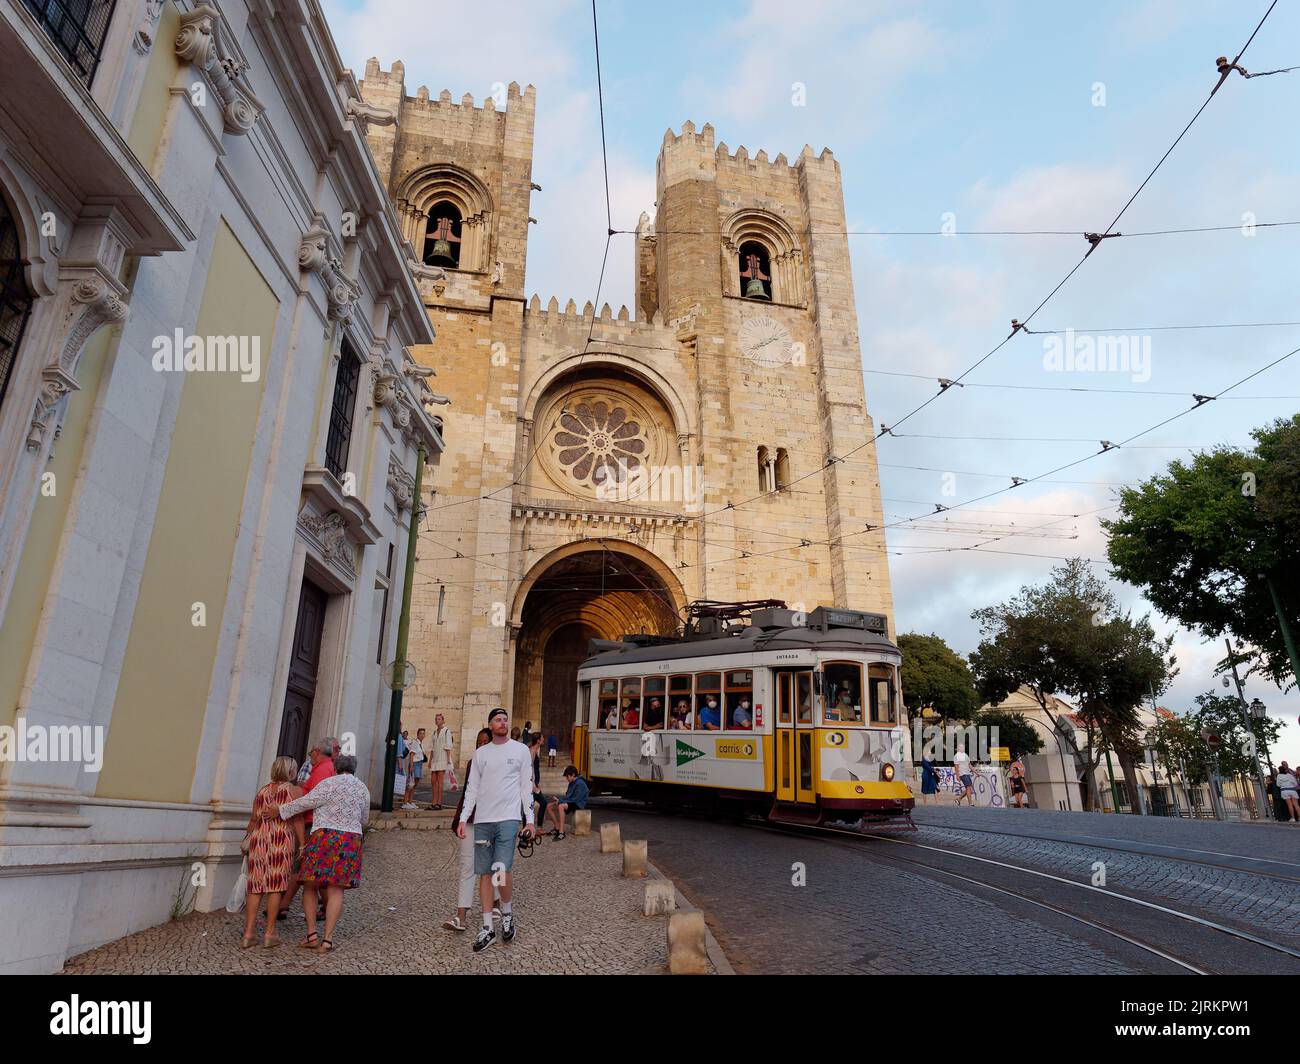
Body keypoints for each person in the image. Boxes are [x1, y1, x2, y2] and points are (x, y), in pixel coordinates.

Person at [270, 754, 371, 953]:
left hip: (324, 837)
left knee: (309, 884)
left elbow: (306, 802)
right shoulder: (362, 788)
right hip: (350, 840)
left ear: (336, 768)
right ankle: (328, 940)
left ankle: (311, 934)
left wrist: (280, 810)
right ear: (354, 769)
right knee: (336, 890)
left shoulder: (328, 783)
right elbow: (365, 819)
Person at [456, 708, 535, 952]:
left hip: (508, 819)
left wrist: (529, 820)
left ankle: (508, 912)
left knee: (501, 868)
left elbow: (525, 787)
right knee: (485, 873)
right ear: (490, 725)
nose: (503, 723)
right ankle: (488, 926)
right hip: (483, 821)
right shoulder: (481, 754)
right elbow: (472, 788)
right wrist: (463, 818)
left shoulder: (521, 750)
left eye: (505, 719)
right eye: (498, 720)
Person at [240, 756, 306, 948]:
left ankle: (249, 933)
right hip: (281, 840)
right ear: (290, 772)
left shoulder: (262, 792)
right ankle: (270, 933)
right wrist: (302, 844)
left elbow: (253, 820)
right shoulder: (294, 791)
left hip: (259, 840)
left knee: (256, 886)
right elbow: (298, 820)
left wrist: (246, 840)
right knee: (275, 886)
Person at [443, 728, 500, 932]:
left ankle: (496, 904)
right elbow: (469, 793)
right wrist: (462, 818)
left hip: (491, 820)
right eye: (479, 741)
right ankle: (461, 916)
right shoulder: (471, 764)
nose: (482, 745)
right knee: (467, 866)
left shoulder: (498, 765)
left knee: (491, 865)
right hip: (470, 819)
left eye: (486, 741)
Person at [278, 736, 338, 919]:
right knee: (306, 870)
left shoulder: (322, 770)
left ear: (318, 752)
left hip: (313, 824)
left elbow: (310, 799)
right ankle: (283, 905)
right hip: (316, 823)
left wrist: (282, 810)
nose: (310, 754)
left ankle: (326, 911)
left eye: (311, 751)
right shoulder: (326, 768)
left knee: (308, 871)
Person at [545, 766, 590, 839]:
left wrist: (560, 801)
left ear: (573, 775)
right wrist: (559, 800)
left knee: (561, 806)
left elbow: (576, 799)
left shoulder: (580, 783)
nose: (566, 778)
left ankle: (561, 832)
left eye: (567, 776)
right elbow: (568, 796)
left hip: (579, 804)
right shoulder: (571, 783)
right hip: (571, 801)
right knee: (549, 806)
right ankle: (557, 828)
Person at [429, 713, 453, 810]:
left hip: (443, 758)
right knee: (433, 781)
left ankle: (439, 803)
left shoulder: (447, 731)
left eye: (439, 719)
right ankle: (433, 803)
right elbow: (432, 748)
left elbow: (448, 746)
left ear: (443, 720)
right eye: (436, 719)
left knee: (440, 782)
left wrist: (448, 760)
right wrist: (430, 760)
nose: (437, 721)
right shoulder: (434, 732)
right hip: (435, 759)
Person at [403, 727, 426, 810]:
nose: (422, 735)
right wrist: (411, 766)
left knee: (415, 784)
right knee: (410, 784)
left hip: (419, 764)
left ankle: (410, 801)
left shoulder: (421, 744)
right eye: (420, 733)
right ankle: (405, 802)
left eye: (423, 733)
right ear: (417, 734)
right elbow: (412, 754)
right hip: (415, 764)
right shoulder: (415, 743)